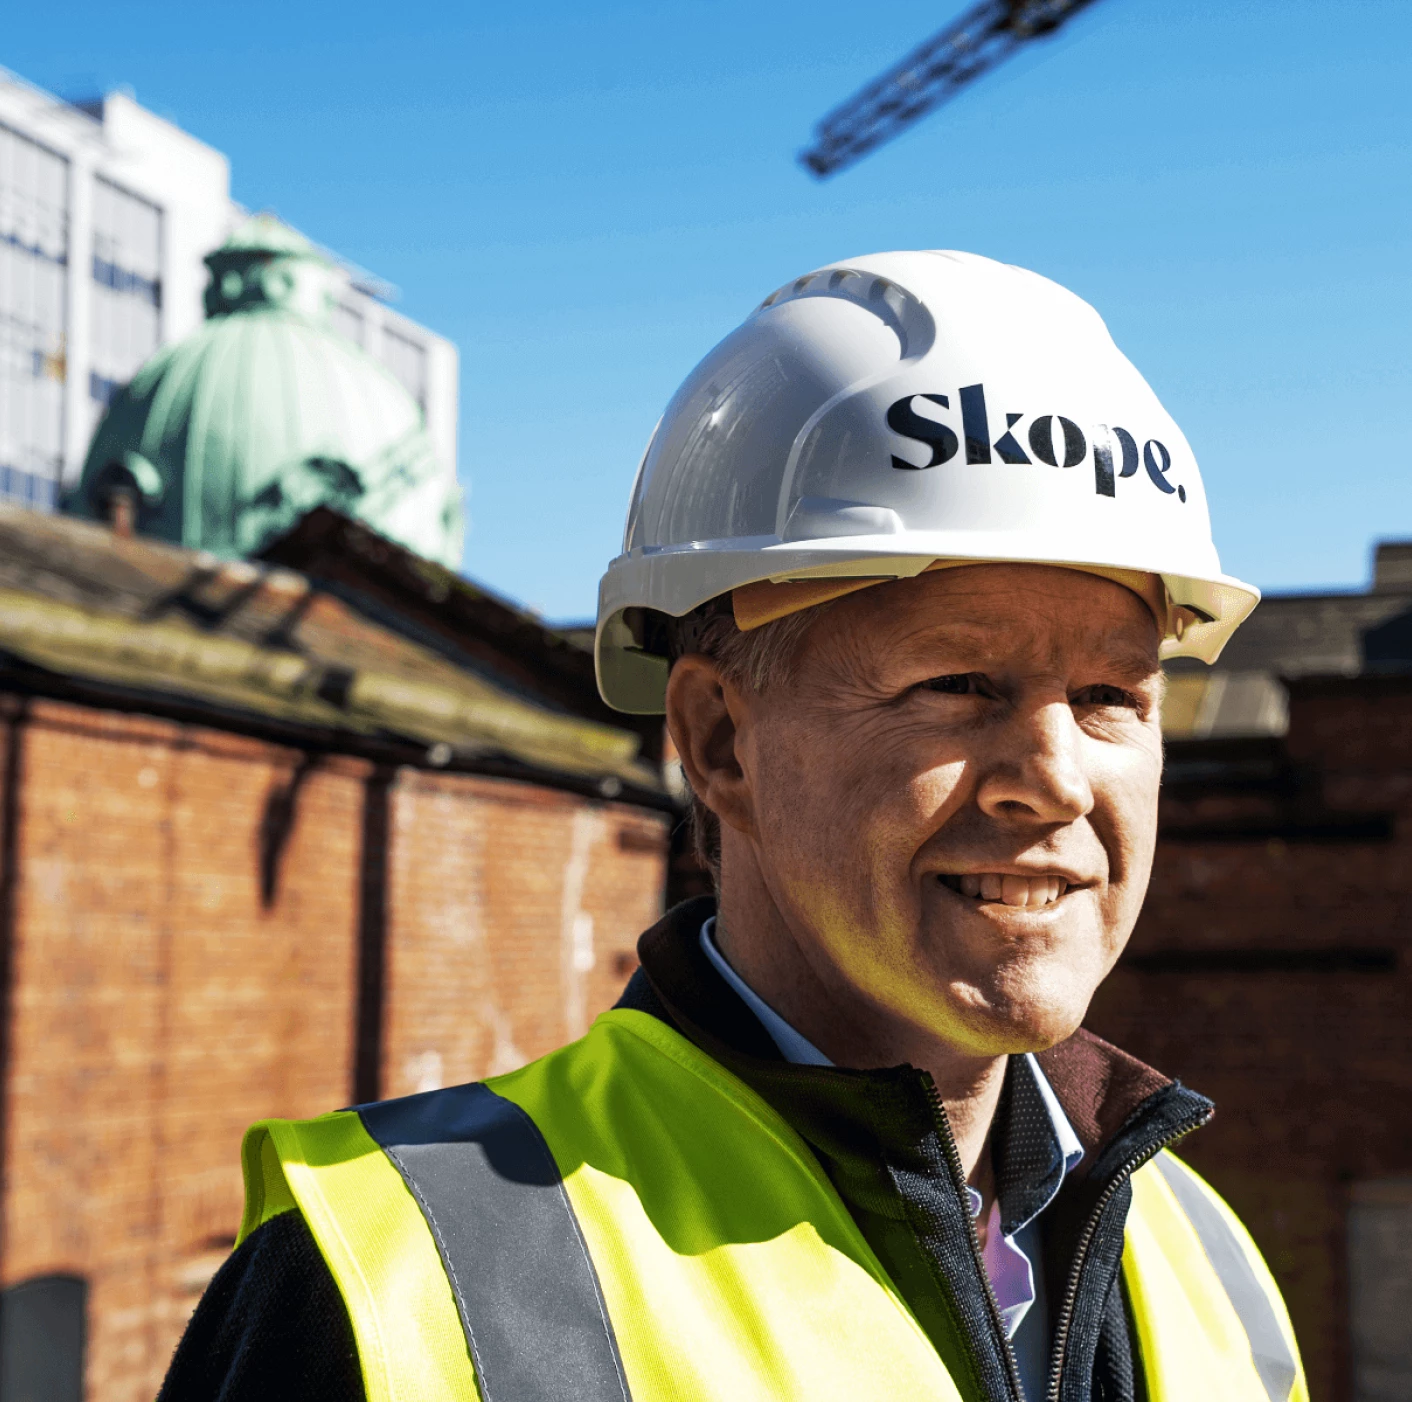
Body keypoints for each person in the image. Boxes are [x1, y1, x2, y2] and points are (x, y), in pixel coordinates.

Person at [161, 251, 1306, 1402]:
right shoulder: (387, 1287)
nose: (1051, 781)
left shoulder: (1202, 1260)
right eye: (955, 682)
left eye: (1110, 695)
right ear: (716, 740)